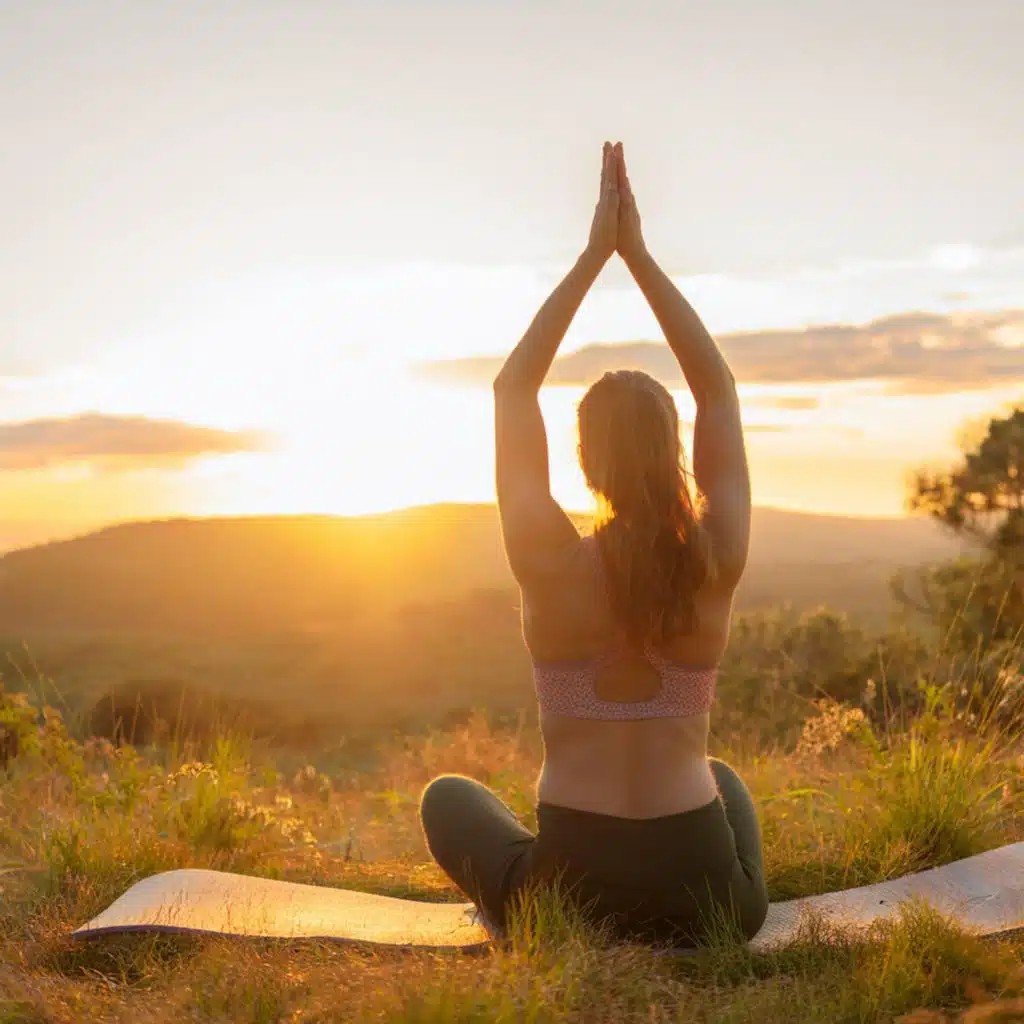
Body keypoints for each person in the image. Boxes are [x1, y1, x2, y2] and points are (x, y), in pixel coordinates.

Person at [419, 141, 768, 948]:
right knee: (720, 780)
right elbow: (718, 386)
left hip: (570, 893)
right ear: (675, 450)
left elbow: (513, 389)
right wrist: (638, 258)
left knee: (447, 795)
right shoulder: (717, 556)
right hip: (709, 904)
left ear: (582, 461)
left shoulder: (548, 560)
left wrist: (593, 257)